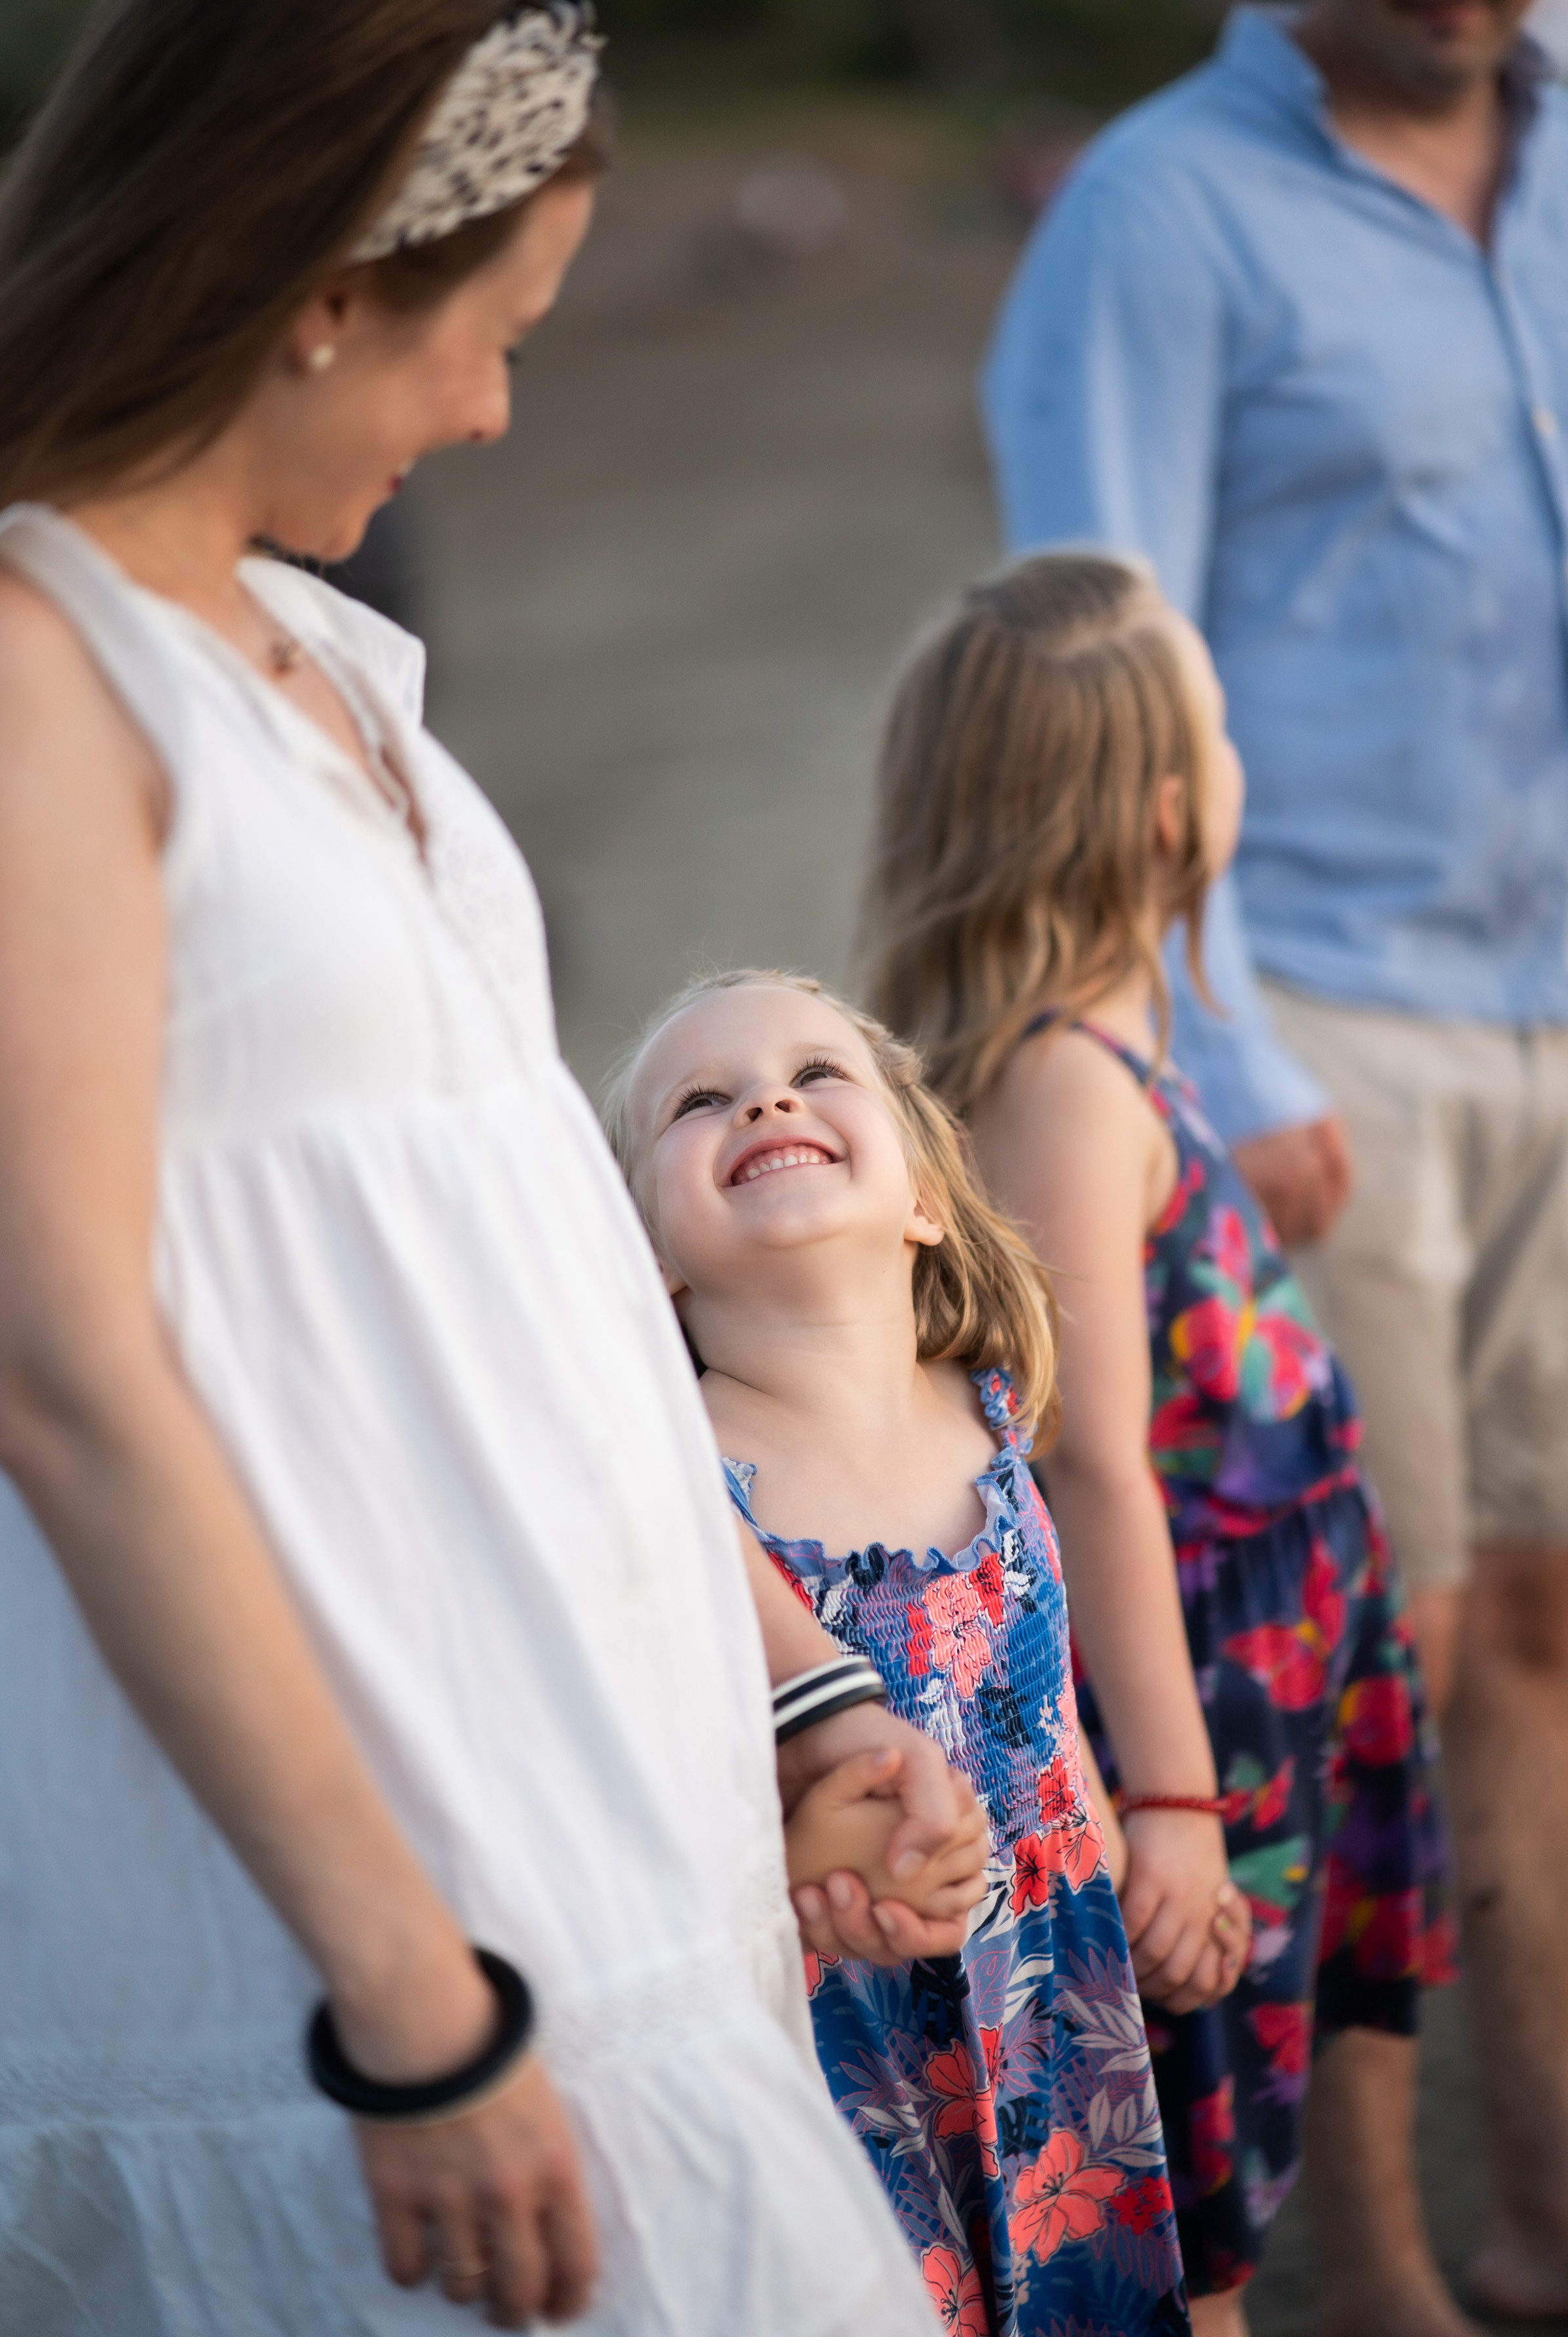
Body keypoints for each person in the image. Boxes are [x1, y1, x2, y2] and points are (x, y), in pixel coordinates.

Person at [0, 0, 990, 2337]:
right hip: (355, 1920)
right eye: (495, 333)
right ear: (325, 282)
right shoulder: (31, 680)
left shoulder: (322, 659)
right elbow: (66, 1381)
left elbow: (508, 1256)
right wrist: (410, 2003)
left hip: (604, 1820)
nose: (501, 415)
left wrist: (798, 1685)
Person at [980, 0, 1568, 2321]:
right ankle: (1371, 2263)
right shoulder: (1159, 217)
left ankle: (1566, 2201)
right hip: (1320, 1018)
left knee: (1551, 1623)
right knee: (1378, 1662)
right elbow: (1101, 660)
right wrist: (1217, 1038)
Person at [860, 551, 1452, 2333]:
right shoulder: (1061, 1082)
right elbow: (1092, 1459)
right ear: (1175, 811)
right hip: (1191, 1702)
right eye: (1219, 723)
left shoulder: (1111, 1042)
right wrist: (1175, 1807)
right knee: (1186, 2192)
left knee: (1228, 2140)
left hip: (1270, 1665)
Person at [605, 966, 1200, 2336]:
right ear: (648, 1260)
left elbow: (1039, 1706)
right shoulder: (673, 1481)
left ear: (926, 1198)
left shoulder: (989, 1417)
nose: (764, 1095)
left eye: (817, 1073)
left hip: (1056, 2029)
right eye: (699, 1101)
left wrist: (1117, 1850)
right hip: (834, 2060)